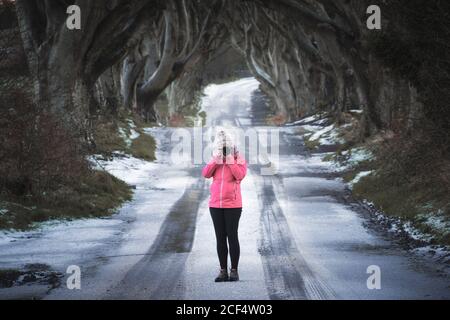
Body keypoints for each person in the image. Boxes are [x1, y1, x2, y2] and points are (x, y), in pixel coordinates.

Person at [202, 130, 247, 282]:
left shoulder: (238, 158)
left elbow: (239, 175)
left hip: (233, 205)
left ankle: (234, 270)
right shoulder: (215, 158)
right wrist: (217, 158)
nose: (224, 149)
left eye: (227, 146)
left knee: (232, 236)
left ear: (232, 146)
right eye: (222, 146)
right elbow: (206, 173)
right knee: (220, 238)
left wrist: (229, 159)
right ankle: (223, 271)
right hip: (215, 205)